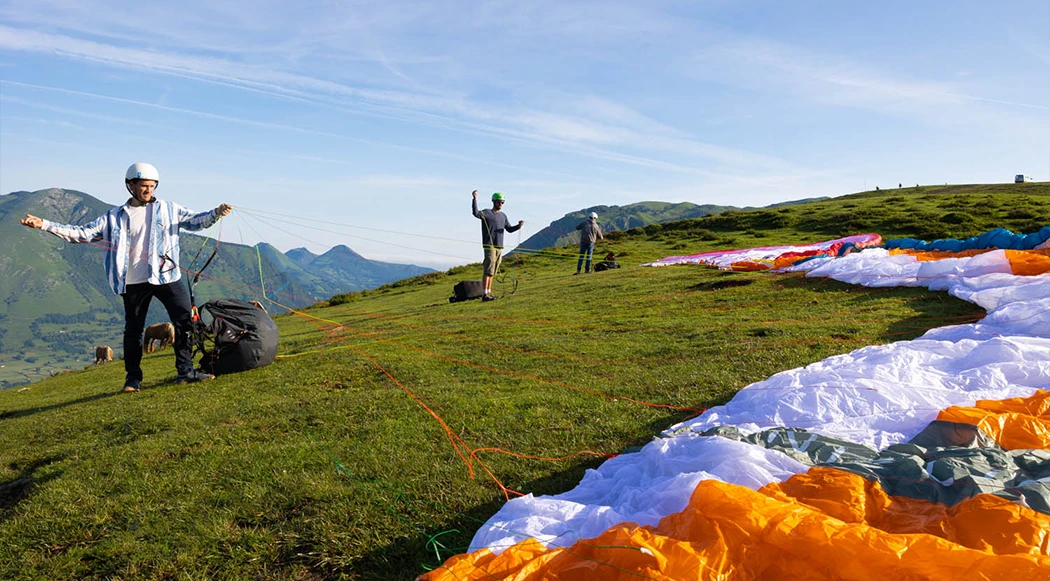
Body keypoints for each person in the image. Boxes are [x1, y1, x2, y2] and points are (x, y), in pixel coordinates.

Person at [20, 162, 233, 393]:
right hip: (132, 282)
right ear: (130, 185)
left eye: (152, 186)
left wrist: (216, 213)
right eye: (143, 186)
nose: (148, 191)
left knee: (185, 322)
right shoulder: (112, 217)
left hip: (167, 277)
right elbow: (81, 234)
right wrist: (45, 225)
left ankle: (185, 371)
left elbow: (195, 221)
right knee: (133, 331)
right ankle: (133, 380)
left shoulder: (169, 209)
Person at [471, 190, 523, 301]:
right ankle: (485, 294)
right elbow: (475, 213)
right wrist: (474, 199)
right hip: (489, 245)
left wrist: (518, 226)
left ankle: (489, 292)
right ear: (493, 201)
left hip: (499, 246)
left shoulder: (503, 216)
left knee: (493, 270)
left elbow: (509, 229)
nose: (501, 204)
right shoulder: (486, 212)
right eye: (499, 202)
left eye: (502, 202)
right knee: (488, 269)